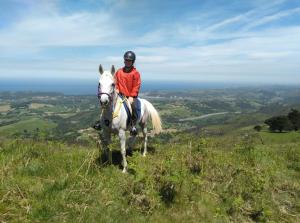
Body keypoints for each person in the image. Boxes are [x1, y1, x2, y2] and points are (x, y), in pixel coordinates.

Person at [114, 51, 141, 135]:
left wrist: (132, 96)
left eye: (129, 60)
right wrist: (116, 88)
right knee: (107, 103)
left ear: (132, 62)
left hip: (130, 96)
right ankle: (102, 122)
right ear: (124, 60)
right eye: (126, 60)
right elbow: (115, 82)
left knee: (134, 107)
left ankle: (132, 125)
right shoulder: (119, 72)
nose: (127, 62)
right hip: (119, 95)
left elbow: (136, 85)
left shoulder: (135, 73)